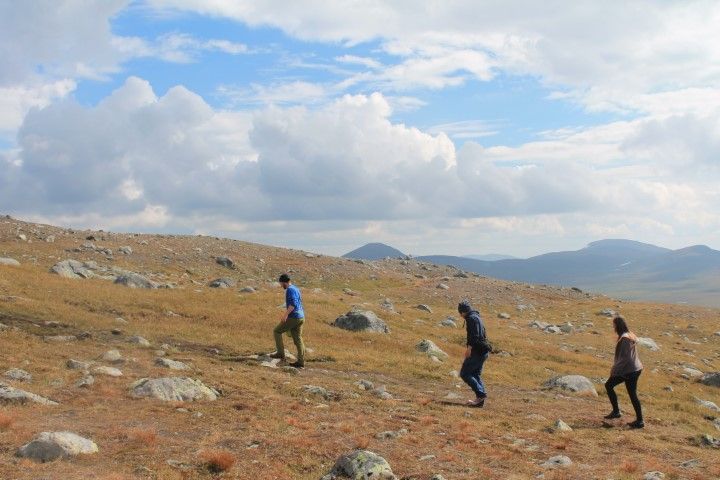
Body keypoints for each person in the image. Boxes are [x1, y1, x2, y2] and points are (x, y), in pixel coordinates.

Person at [604, 315, 644, 429]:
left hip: (629, 370)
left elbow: (626, 358)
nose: (613, 327)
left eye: (614, 325)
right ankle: (638, 420)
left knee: (609, 385)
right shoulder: (629, 334)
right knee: (632, 393)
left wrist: (614, 370)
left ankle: (618, 413)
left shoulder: (625, 338)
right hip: (635, 368)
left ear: (618, 325)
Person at [458, 300, 490, 407]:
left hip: (477, 350)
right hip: (483, 350)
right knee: (475, 374)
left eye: (460, 313)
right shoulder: (476, 316)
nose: (460, 315)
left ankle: (481, 395)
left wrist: (469, 349)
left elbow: (474, 336)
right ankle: (480, 401)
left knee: (465, 373)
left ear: (463, 312)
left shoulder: (471, 318)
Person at [270, 273, 305, 368]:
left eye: (281, 283)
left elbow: (293, 304)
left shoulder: (290, 289)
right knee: (298, 339)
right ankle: (301, 361)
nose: (281, 285)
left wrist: (285, 315)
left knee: (277, 331)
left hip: (294, 317)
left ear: (284, 282)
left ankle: (280, 353)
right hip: (301, 317)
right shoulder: (296, 288)